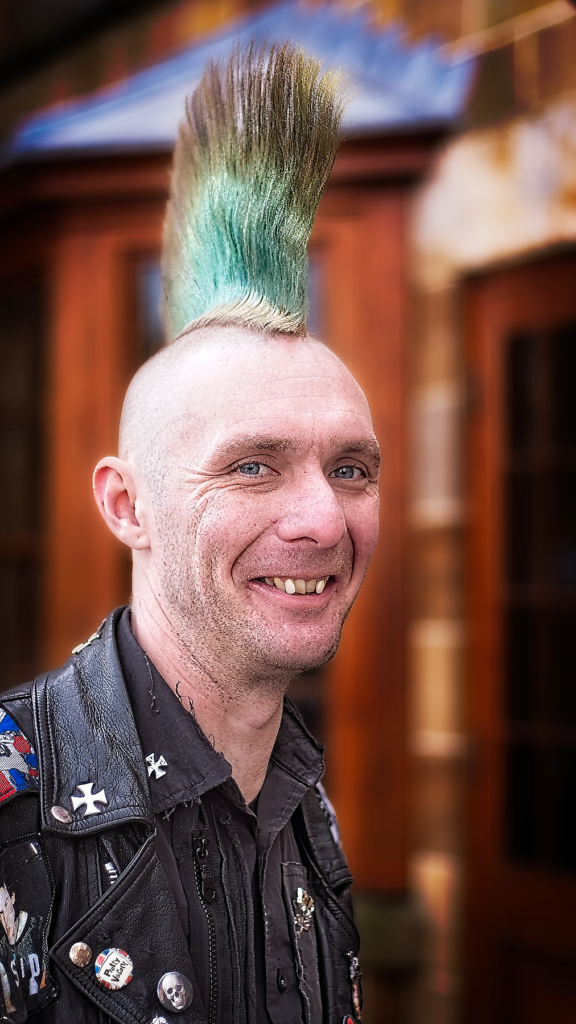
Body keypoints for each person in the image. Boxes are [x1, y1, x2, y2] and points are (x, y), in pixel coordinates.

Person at [0, 42, 379, 1024]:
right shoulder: (11, 816)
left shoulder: (305, 808)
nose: (324, 518)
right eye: (253, 464)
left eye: (351, 468)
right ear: (128, 506)